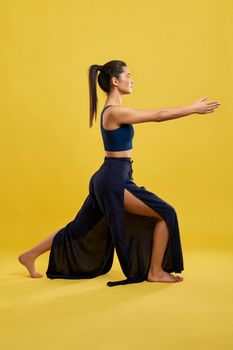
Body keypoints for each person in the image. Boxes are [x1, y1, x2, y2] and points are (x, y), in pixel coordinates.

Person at [18, 60, 220, 286]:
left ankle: (29, 255)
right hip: (114, 179)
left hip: (107, 178)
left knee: (78, 227)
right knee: (166, 214)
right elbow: (158, 115)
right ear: (115, 81)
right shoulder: (115, 112)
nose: (132, 80)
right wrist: (192, 109)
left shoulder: (113, 111)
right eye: (128, 75)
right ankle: (155, 271)